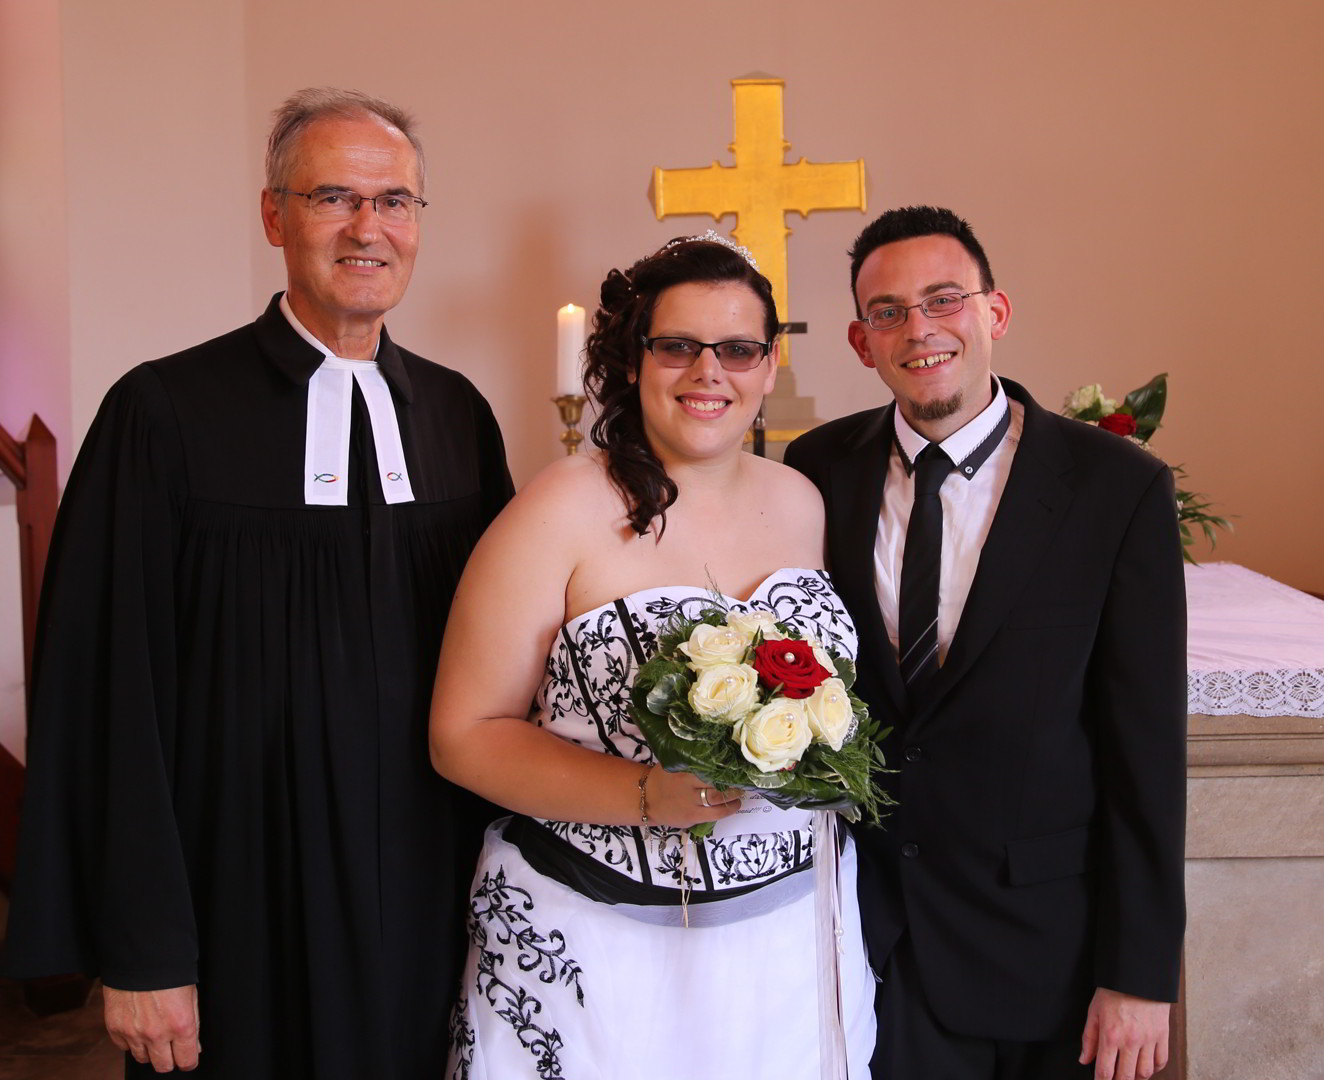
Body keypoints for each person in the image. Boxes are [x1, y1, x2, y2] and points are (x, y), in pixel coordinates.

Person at [4, 88, 512, 1078]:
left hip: (426, 905)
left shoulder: (457, 417)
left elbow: (510, 671)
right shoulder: (164, 414)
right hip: (236, 909)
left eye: (395, 202)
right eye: (334, 197)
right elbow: (111, 694)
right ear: (275, 216)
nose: (370, 227)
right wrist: (144, 949)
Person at [429, 233, 877, 1079]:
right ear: (634, 361)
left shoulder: (803, 501)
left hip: (791, 937)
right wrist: (641, 794)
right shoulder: (560, 507)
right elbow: (463, 733)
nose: (710, 371)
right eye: (678, 345)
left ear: (768, 364)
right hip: (598, 944)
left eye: (738, 348)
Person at [785, 206, 1187, 1080]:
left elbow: (1146, 755)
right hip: (871, 944)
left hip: (1050, 955)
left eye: (943, 300)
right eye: (887, 312)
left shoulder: (1116, 488)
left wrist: (1141, 974)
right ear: (861, 341)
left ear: (994, 313)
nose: (919, 329)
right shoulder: (814, 473)